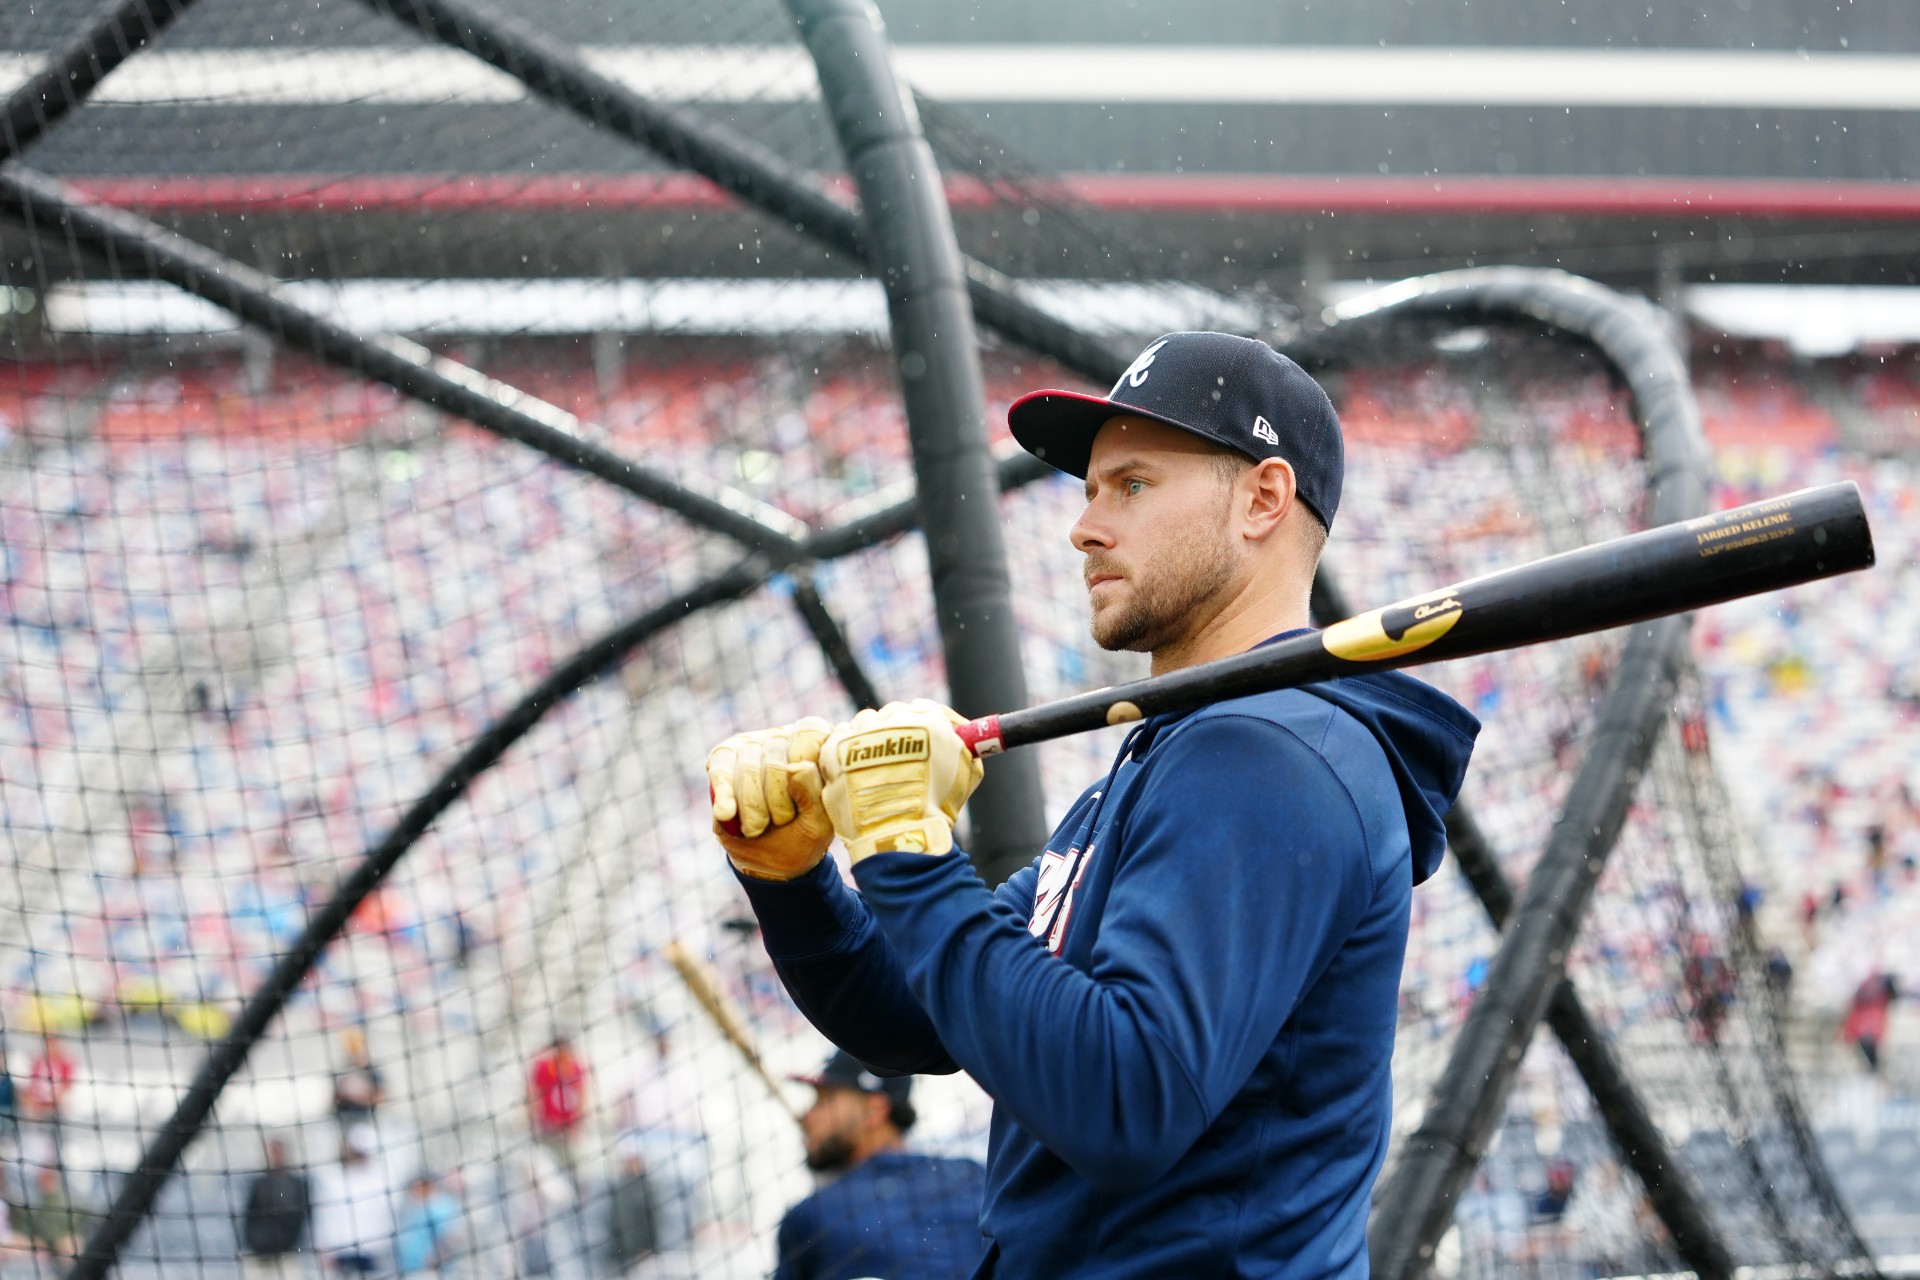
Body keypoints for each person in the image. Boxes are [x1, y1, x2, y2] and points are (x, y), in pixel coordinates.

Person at [707, 331, 1479, 1278]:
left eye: (1134, 485)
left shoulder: (1266, 753)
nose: (1085, 527)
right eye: (1090, 491)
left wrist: (911, 850)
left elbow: (1125, 1101)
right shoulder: (1177, 751)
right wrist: (795, 874)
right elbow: (915, 1014)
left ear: (1263, 500)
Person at [774, 1049, 985, 1280]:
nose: (806, 1117)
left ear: (874, 1111)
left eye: (825, 1100)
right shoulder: (974, 1176)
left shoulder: (811, 1215)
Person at [309, 1124, 392, 1276]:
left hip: (372, 1252)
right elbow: (322, 1217)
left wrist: (384, 1250)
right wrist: (323, 1250)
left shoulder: (380, 1180)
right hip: (340, 1253)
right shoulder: (332, 1179)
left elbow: (386, 1217)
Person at [241, 1137, 312, 1278]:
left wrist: (287, 1244)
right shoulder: (258, 1183)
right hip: (260, 1254)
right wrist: (256, 1243)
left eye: (277, 1151)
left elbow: (302, 1218)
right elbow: (249, 1217)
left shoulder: (297, 1184)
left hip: (287, 1254)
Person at [527, 1033, 589, 1180]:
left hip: (568, 1128)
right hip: (548, 1127)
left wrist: (578, 1124)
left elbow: (581, 1097)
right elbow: (533, 1096)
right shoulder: (544, 1068)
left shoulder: (575, 1068)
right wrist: (534, 1122)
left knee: (570, 1168)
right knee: (547, 1168)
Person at [392, 1171, 462, 1275]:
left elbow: (451, 1237)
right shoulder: (413, 1206)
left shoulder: (441, 1206)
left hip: (435, 1271)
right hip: (411, 1269)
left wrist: (436, 1261)